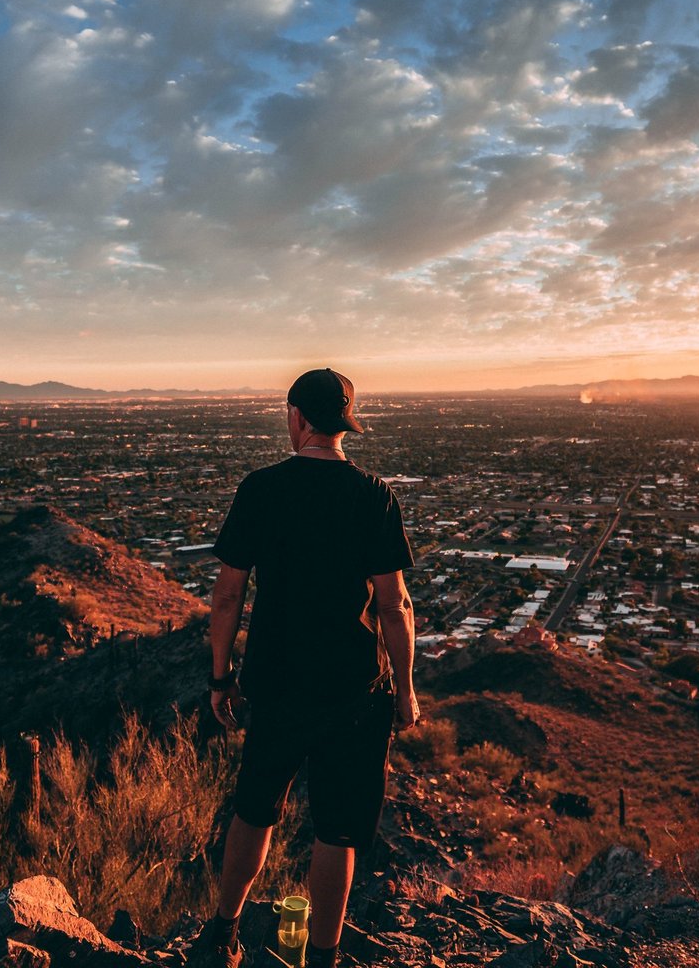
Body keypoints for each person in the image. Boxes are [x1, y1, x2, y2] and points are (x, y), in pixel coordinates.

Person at [191, 367, 420, 968]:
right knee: (337, 829)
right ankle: (322, 955)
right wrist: (406, 693)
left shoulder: (261, 489)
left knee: (255, 808)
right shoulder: (374, 496)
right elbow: (394, 605)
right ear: (344, 420)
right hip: (353, 689)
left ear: (296, 418)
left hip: (276, 682)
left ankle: (224, 929)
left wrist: (221, 676)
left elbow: (227, 596)